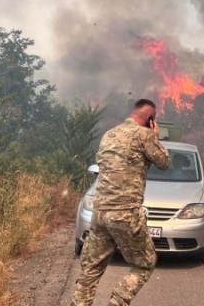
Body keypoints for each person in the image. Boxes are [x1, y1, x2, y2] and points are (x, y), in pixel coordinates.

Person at [71, 99, 170, 306]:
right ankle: (117, 302)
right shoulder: (144, 135)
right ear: (150, 119)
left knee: (91, 268)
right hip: (125, 213)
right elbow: (163, 162)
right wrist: (155, 137)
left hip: (100, 214)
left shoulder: (109, 135)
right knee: (145, 263)